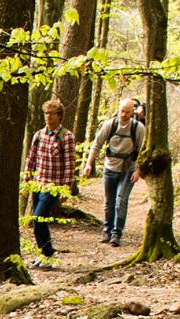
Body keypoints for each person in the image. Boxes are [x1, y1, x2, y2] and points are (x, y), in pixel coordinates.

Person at [24, 98, 79, 263]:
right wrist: (27, 175)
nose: (48, 117)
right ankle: (43, 254)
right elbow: (31, 157)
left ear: (59, 116)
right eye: (46, 113)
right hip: (38, 183)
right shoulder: (39, 135)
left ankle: (47, 255)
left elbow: (70, 164)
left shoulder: (66, 136)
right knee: (38, 221)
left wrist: (65, 188)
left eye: (52, 114)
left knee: (38, 218)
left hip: (53, 186)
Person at [90, 96, 145, 245]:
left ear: (132, 112)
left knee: (121, 201)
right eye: (122, 111)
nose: (124, 115)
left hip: (129, 170)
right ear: (118, 110)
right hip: (110, 168)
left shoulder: (138, 128)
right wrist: (89, 163)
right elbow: (97, 144)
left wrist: (138, 171)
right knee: (109, 202)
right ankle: (106, 230)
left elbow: (142, 150)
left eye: (127, 112)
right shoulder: (110, 125)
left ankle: (116, 234)